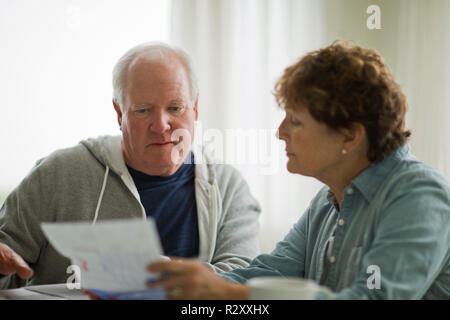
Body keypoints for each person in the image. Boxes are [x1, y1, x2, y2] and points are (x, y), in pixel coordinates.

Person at [146, 41, 450, 300]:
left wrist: (229, 294)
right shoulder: (328, 200)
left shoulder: (419, 195)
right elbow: (271, 271)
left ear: (350, 135)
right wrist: (180, 280)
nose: (280, 133)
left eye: (296, 121)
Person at [0, 42, 261, 289]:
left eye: (175, 107)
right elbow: (8, 268)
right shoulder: (57, 174)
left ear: (194, 109)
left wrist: (154, 274)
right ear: (119, 113)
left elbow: (242, 280)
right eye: (143, 110)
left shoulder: (228, 186)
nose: (161, 125)